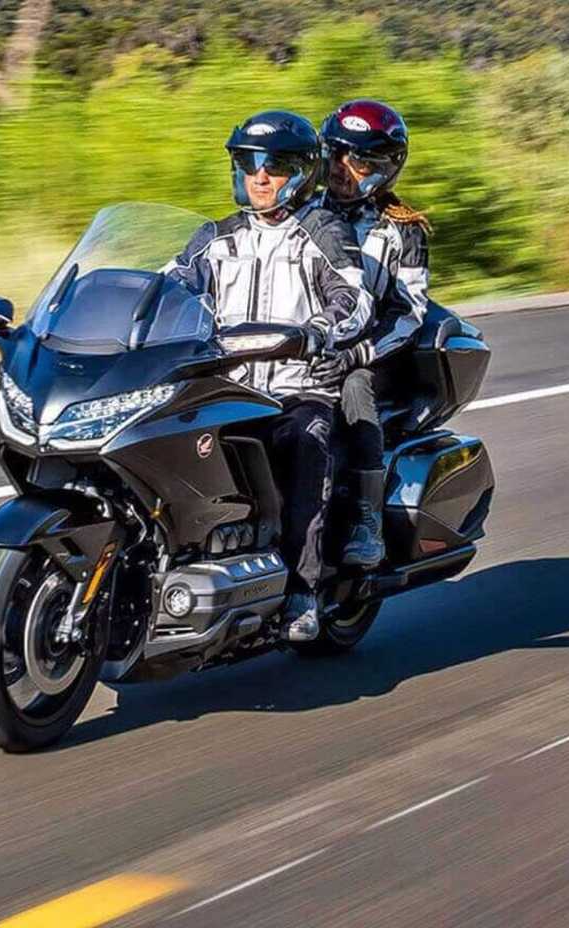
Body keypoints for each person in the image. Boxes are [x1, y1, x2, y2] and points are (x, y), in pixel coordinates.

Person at [165, 109, 373, 642]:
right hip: (222, 388)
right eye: (249, 163)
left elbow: (354, 298)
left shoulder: (323, 231)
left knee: (307, 440)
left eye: (274, 165)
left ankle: (303, 591)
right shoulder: (216, 237)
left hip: (295, 388)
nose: (260, 176)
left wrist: (320, 330)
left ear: (302, 171)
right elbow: (163, 291)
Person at [309, 99, 432, 569]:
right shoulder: (297, 209)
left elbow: (409, 311)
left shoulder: (403, 231)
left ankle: (366, 520)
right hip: (307, 340)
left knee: (354, 389)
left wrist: (359, 353)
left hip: (374, 351)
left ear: (384, 167)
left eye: (358, 159)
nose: (343, 168)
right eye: (335, 153)